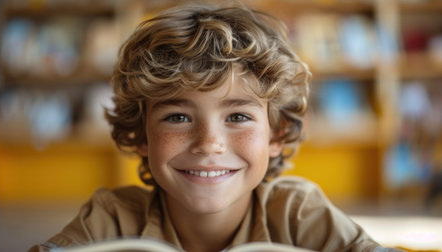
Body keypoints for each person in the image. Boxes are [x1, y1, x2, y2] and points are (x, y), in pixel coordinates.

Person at [29, 3, 401, 252]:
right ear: (141, 135)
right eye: (178, 117)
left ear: (277, 134)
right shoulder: (110, 219)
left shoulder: (298, 213)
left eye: (238, 116)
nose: (209, 144)